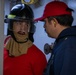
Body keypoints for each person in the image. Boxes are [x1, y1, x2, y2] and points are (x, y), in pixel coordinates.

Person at [3, 4, 47, 75]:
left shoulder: (38, 56)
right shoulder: (3, 51)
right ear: (11, 25)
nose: (23, 29)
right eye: (18, 23)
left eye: (27, 24)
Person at [34, 1, 76, 75]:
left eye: (45, 22)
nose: (44, 26)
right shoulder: (64, 42)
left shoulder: (68, 47)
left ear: (54, 22)